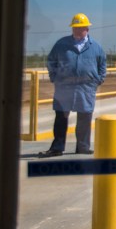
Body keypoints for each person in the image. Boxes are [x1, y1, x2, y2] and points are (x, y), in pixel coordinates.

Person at [39, 13, 107, 157]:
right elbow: (51, 61)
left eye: (80, 28)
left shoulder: (95, 47)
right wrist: (54, 77)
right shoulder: (62, 44)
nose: (77, 30)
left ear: (87, 29)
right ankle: (57, 147)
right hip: (64, 87)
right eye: (75, 28)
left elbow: (102, 64)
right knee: (61, 118)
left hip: (86, 88)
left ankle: (83, 147)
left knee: (84, 118)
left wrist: (98, 79)